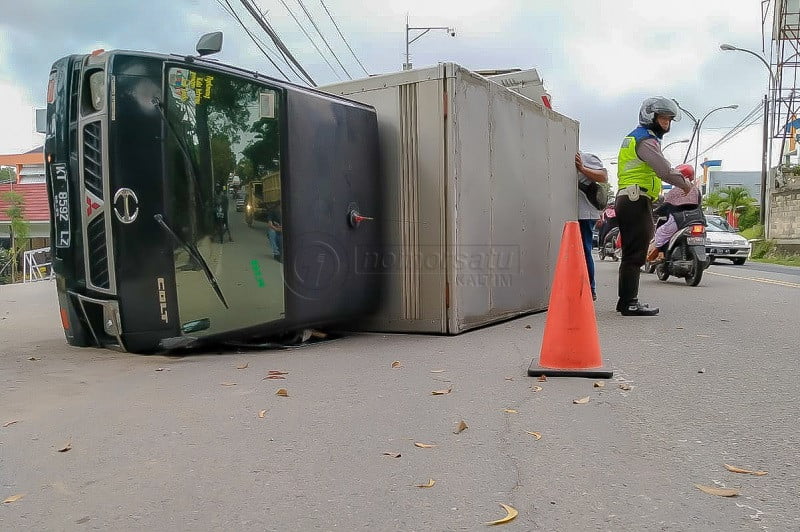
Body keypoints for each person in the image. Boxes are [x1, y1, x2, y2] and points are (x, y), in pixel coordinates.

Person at [615, 97, 693, 316]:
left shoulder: (635, 138)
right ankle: (629, 302)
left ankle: (626, 301)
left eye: (669, 119)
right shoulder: (645, 140)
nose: (666, 123)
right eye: (662, 118)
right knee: (635, 254)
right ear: (650, 117)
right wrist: (686, 185)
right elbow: (664, 170)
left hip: (632, 199)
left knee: (633, 253)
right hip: (634, 199)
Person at [647, 164, 703, 261]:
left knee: (661, 232)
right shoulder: (696, 190)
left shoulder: (674, 192)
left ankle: (661, 255)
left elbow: (666, 206)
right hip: (698, 219)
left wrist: (655, 212)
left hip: (679, 220)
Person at [575, 151, 608, 301]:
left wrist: (582, 169)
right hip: (567, 210)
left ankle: (589, 289)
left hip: (584, 214)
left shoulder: (586, 157)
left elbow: (603, 176)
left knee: (584, 249)